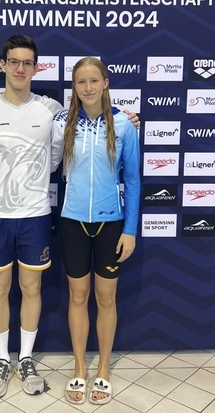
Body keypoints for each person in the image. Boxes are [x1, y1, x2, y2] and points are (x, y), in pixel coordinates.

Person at [0, 36, 139, 398]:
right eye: (14, 61)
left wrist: (126, 118)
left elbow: (123, 163)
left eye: (27, 62)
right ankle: (1, 360)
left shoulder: (52, 111)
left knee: (32, 288)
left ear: (36, 68)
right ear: (3, 65)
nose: (21, 68)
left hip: (38, 215)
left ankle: (26, 358)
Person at [52, 57, 140, 405]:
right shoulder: (61, 123)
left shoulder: (124, 125)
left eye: (93, 81)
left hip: (110, 224)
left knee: (106, 299)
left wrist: (130, 230)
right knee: (77, 297)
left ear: (105, 82)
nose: (87, 88)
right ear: (73, 87)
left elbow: (132, 180)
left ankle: (102, 368)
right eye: (80, 82)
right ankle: (79, 368)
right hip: (72, 222)